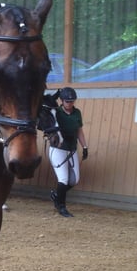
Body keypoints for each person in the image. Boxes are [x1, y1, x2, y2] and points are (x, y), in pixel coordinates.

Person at [46, 87, 88, 217]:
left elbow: (79, 131)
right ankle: (61, 206)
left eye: (72, 101)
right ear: (62, 101)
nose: (70, 104)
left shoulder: (77, 113)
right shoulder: (56, 112)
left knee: (74, 180)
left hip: (71, 148)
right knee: (63, 179)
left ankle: (57, 194)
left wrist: (85, 147)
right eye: (67, 101)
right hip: (58, 150)